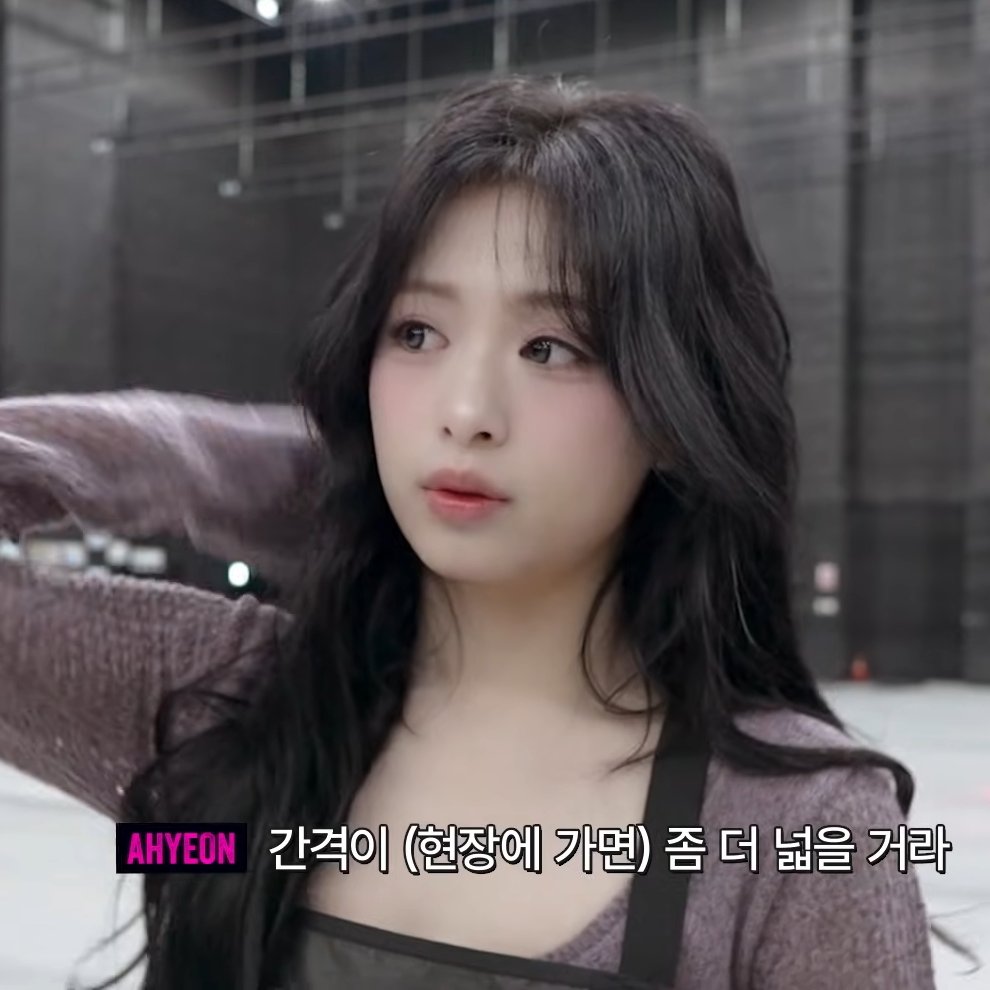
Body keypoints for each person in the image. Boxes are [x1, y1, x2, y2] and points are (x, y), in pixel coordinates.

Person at [0, 75, 938, 990]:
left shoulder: (802, 833)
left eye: (551, 348)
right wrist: (206, 458)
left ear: (672, 409)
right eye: (416, 333)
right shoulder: (218, 706)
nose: (465, 411)